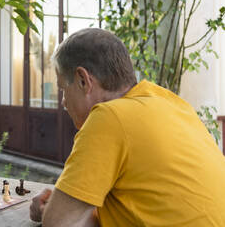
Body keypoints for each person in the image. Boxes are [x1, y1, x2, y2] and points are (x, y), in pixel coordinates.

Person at [29, 28, 225, 226]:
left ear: (83, 80)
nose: (63, 102)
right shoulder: (171, 103)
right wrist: (73, 202)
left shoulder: (108, 117)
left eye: (63, 89)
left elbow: (58, 223)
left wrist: (48, 211)